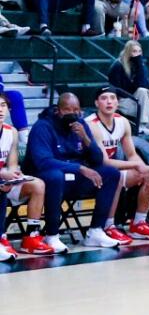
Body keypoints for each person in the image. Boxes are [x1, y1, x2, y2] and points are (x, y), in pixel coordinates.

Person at [24, 93, 124, 249]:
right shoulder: (42, 126)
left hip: (74, 177)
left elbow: (97, 160)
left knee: (111, 173)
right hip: (47, 177)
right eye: (67, 109)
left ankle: (96, 231)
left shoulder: (81, 125)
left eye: (76, 109)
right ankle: (52, 235)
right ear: (58, 111)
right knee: (55, 176)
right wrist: (80, 168)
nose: (72, 113)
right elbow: (43, 162)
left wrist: (85, 138)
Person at [86, 88, 149, 240]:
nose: (109, 101)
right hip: (92, 170)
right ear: (96, 103)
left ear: (118, 102)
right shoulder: (91, 124)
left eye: (112, 98)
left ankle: (139, 223)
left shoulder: (122, 122)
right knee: (115, 176)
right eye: (104, 98)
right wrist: (135, 166)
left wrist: (143, 169)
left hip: (112, 168)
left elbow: (131, 154)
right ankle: (108, 225)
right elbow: (104, 161)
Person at [0, 93, 48, 258]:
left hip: (3, 180)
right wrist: (4, 175)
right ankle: (1, 237)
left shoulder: (11, 132)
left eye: (2, 105)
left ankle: (31, 238)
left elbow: (12, 163)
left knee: (38, 184)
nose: (0, 110)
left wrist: (13, 175)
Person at [107, 40, 149, 135]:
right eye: (134, 51)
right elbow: (115, 89)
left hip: (134, 100)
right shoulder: (118, 66)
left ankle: (146, 130)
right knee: (142, 91)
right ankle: (141, 126)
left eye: (139, 52)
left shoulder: (140, 66)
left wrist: (139, 66)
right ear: (128, 52)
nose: (138, 54)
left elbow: (143, 85)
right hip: (121, 101)